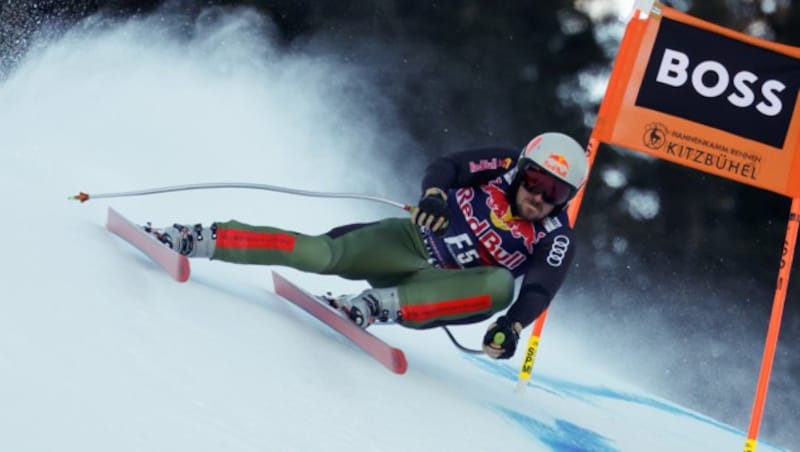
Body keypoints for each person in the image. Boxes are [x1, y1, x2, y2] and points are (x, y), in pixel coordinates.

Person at [147, 132, 588, 359]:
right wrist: (434, 196)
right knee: (319, 253)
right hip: (408, 241)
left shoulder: (555, 236)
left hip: (438, 290)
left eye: (557, 193)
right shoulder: (503, 164)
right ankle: (199, 237)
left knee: (499, 287)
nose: (540, 198)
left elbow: (539, 289)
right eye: (536, 181)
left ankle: (378, 306)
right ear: (523, 169)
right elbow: (449, 166)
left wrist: (510, 329)